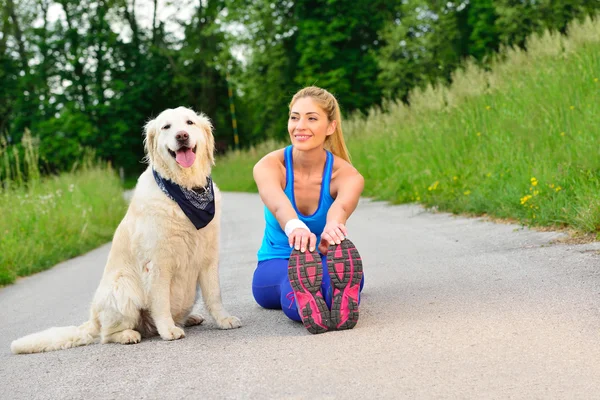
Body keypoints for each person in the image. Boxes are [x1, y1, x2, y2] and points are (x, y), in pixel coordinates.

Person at [252, 86, 365, 334]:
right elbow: (277, 203)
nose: (300, 126)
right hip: (276, 260)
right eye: (295, 117)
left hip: (322, 257)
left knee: (335, 277)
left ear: (331, 127)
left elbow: (341, 207)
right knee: (290, 285)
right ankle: (316, 300)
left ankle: (338, 295)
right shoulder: (270, 166)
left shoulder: (347, 175)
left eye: (311, 118)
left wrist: (332, 228)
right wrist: (295, 226)